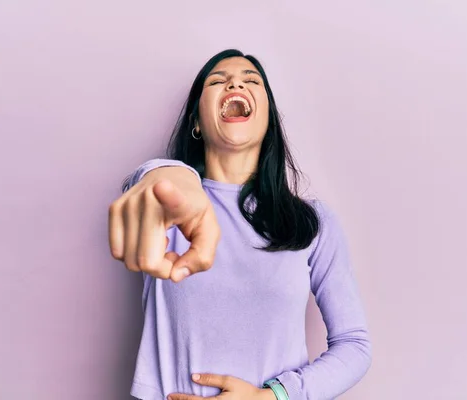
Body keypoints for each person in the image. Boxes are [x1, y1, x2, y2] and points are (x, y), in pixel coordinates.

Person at [108, 49, 372, 400]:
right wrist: (172, 176)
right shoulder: (170, 207)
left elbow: (354, 346)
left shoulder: (313, 223)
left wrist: (271, 397)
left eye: (251, 81)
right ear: (196, 123)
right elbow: (147, 184)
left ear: (267, 120)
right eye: (218, 80)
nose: (235, 82)